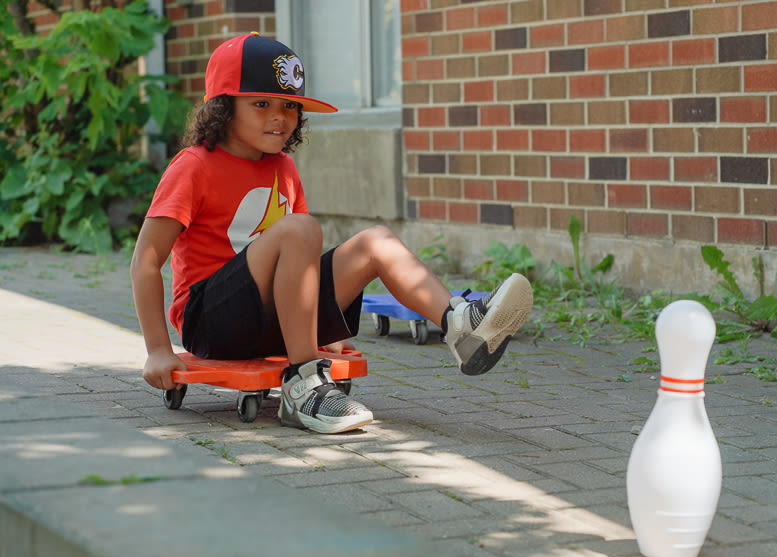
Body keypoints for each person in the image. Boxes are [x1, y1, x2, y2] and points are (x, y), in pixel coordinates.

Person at [130, 33, 533, 435]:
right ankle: (304, 383)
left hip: (272, 319)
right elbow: (146, 260)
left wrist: (321, 322)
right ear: (222, 108)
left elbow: (301, 262)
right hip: (213, 323)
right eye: (261, 104)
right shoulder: (193, 166)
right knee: (300, 229)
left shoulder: (283, 167)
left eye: (290, 106)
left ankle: (459, 324)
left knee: (376, 241)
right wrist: (158, 350)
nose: (280, 116)